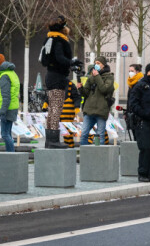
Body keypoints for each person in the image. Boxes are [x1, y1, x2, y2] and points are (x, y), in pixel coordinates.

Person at [41, 16, 74, 149]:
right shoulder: (59, 41)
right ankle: (53, 140)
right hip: (57, 77)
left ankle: (50, 141)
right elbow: (60, 58)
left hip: (51, 75)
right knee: (56, 109)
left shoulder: (49, 39)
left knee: (52, 110)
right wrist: (72, 62)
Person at [79, 56, 114, 145]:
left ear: (104, 65)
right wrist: (81, 88)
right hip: (89, 110)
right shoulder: (91, 77)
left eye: (98, 63)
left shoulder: (109, 77)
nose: (96, 65)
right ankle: (84, 153)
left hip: (101, 110)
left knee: (100, 135)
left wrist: (97, 76)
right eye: (95, 63)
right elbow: (85, 93)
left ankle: (100, 156)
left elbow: (104, 89)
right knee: (84, 134)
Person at [0, 55, 19, 152]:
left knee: (5, 134)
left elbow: (6, 96)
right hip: (13, 106)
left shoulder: (4, 76)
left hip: (7, 108)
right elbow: (9, 91)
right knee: (8, 133)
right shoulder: (12, 73)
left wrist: (2, 112)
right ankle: (11, 153)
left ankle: (11, 154)